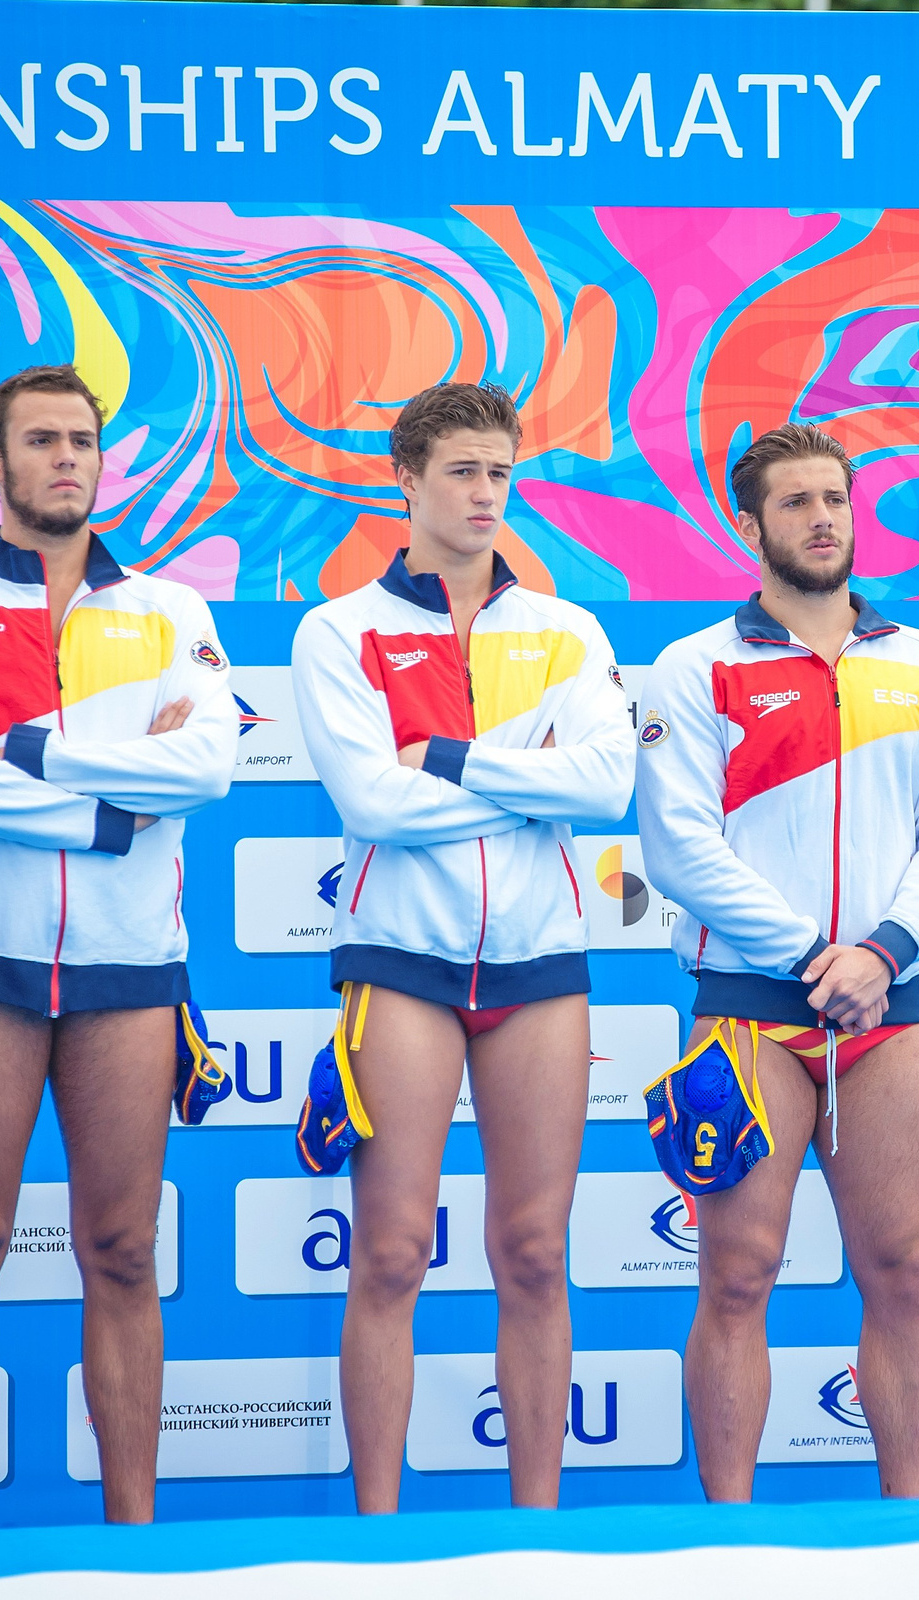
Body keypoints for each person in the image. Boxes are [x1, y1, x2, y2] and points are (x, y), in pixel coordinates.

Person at [0, 363, 236, 1527]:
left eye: (82, 439)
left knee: (124, 1248)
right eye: (41, 440)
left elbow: (210, 767)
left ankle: (134, 1541)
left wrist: (29, 750)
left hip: (129, 966)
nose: (67, 458)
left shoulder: (172, 610)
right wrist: (111, 803)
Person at [290, 381, 632, 1512]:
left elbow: (607, 783)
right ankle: (379, 1538)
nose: (485, 494)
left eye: (499, 472)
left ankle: (540, 1536)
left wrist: (446, 760)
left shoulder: (568, 629)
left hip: (538, 970)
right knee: (390, 1255)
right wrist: (524, 786)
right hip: (401, 963)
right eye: (461, 473)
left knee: (535, 1255)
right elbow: (372, 807)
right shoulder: (340, 630)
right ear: (406, 482)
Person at [637, 423, 919, 1501]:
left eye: (833, 498)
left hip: (891, 1008)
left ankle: (911, 1532)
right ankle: (726, 1542)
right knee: (737, 1278)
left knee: (906, 1274)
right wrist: (808, 956)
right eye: (794, 503)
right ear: (749, 524)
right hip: (749, 1013)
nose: (822, 518)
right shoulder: (695, 667)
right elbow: (678, 847)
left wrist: (880, 953)